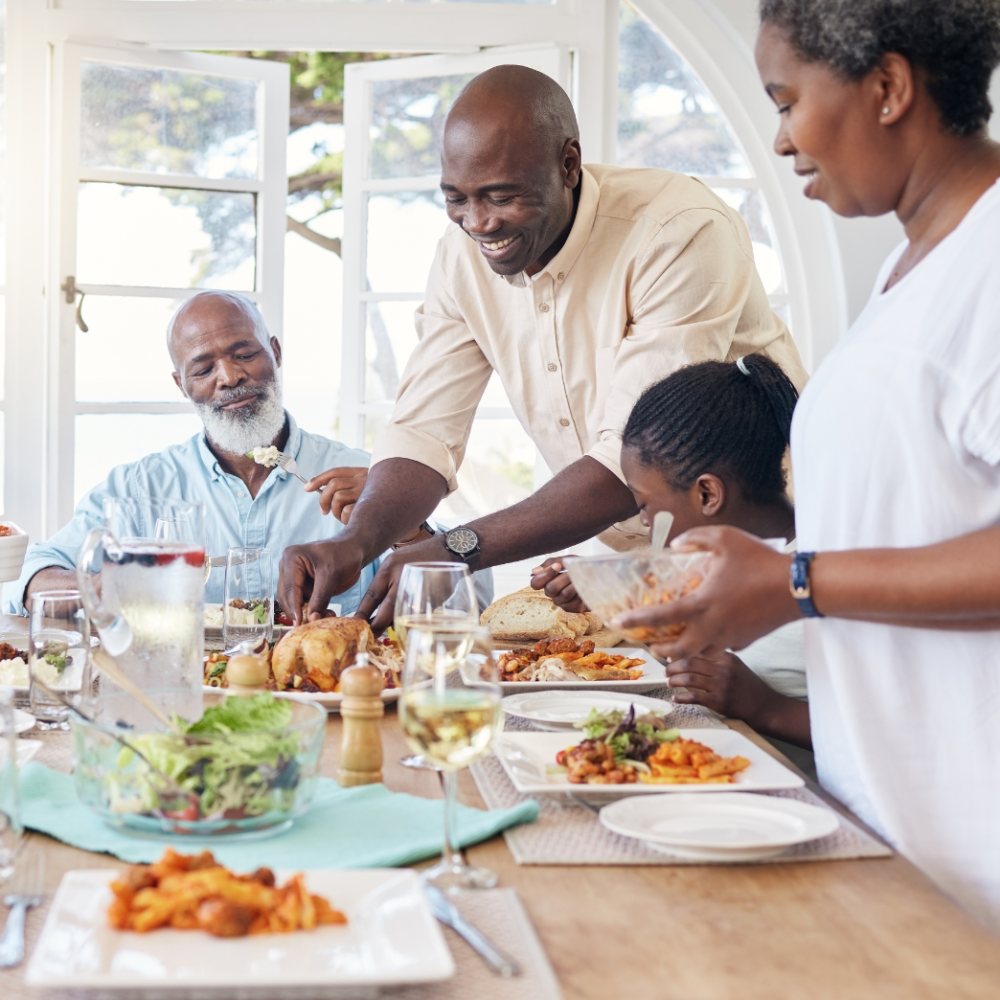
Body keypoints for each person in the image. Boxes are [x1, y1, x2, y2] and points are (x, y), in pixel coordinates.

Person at [613, 0, 1000, 932]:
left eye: (786, 102)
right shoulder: (912, 268)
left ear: (891, 87)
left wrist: (795, 581)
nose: (781, 140)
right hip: (897, 831)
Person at [279, 63, 807, 626]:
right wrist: (356, 543)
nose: (478, 223)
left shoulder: (677, 230)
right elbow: (424, 430)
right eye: (456, 198)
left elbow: (635, 456)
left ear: (569, 164)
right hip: (642, 566)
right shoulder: (462, 255)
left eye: (501, 197)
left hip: (772, 550)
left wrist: (454, 547)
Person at [3, 291, 473, 616]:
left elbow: (464, 602)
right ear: (181, 385)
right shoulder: (138, 488)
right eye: (203, 368)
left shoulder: (366, 476)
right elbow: (27, 574)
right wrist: (101, 588)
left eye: (244, 354)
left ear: (275, 352)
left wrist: (406, 527)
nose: (229, 377)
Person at [532, 355, 812, 762]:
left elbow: (890, 731)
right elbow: (672, 626)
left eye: (644, 505)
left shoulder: (824, 579)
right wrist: (603, 587)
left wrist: (764, 707)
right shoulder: (707, 566)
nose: (645, 523)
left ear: (707, 495)